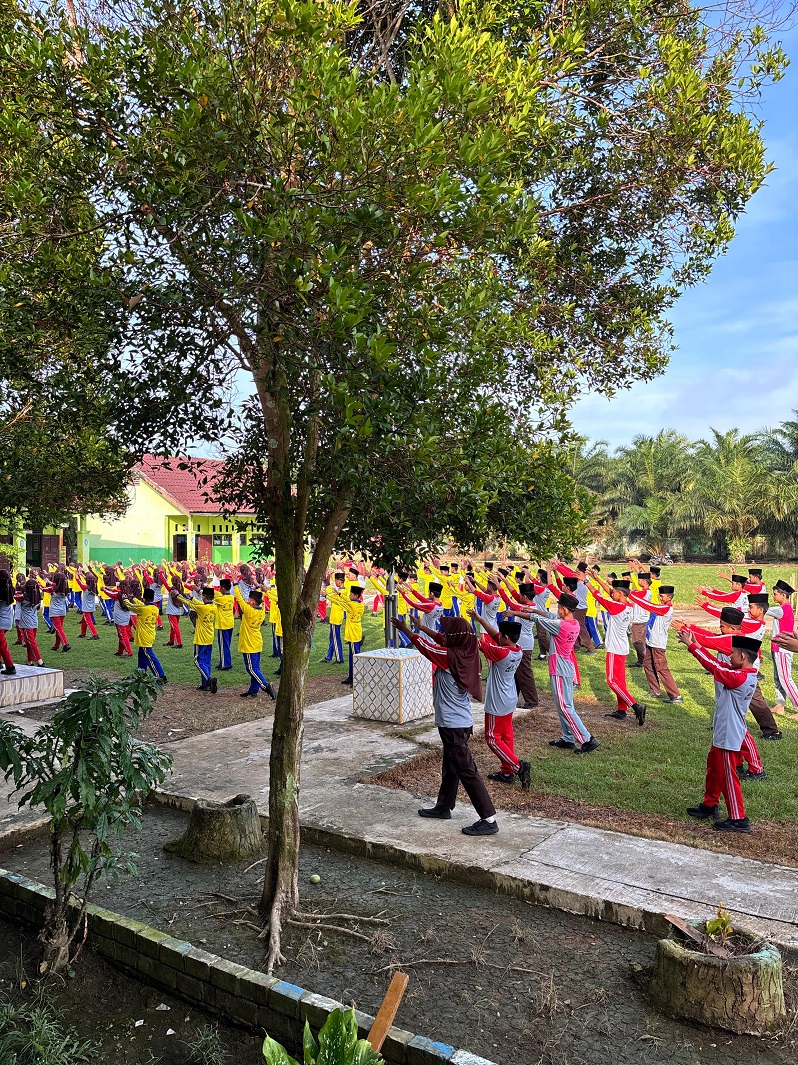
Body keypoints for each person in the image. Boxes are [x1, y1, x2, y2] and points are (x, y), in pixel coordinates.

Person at [392, 615, 499, 836]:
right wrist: (422, 627)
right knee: (451, 766)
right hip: (460, 721)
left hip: (453, 724)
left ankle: (489, 818)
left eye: (449, 632)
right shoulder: (469, 652)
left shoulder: (450, 657)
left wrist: (407, 630)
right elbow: (442, 640)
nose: (446, 636)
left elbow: (427, 648)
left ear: (456, 637)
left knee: (466, 770)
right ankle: (443, 807)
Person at [677, 629, 760, 833]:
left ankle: (738, 818)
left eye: (732, 653)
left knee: (727, 775)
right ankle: (709, 804)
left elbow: (713, 666)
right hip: (724, 731)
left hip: (728, 734)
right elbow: (720, 664)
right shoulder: (742, 673)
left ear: (742, 656)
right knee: (714, 768)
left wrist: (692, 646)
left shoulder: (739, 677)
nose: (728, 657)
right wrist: (698, 644)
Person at [516, 591, 599, 753]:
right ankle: (568, 738)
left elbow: (539, 619)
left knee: (565, 706)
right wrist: (533, 610)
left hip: (560, 669)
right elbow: (547, 614)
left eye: (560, 607)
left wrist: (515, 613)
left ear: (566, 609)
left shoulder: (561, 625)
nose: (557, 610)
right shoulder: (572, 623)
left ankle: (587, 739)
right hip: (565, 667)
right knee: (564, 705)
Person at [469, 611, 531, 788]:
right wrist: (480, 619)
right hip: (509, 698)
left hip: (497, 701)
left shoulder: (500, 653)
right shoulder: (517, 650)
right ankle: (506, 772)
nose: (498, 638)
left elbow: (477, 643)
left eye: (500, 636)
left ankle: (518, 767)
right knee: (506, 735)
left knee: (492, 738)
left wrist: (464, 628)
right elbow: (495, 636)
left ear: (505, 637)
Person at [587, 574, 647, 726]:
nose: (611, 593)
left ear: (620, 594)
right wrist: (597, 577)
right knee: (620, 681)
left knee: (612, 681)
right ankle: (621, 710)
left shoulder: (617, 607)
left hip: (614, 649)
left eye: (614, 592)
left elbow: (599, 596)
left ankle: (635, 706)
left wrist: (587, 581)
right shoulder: (628, 606)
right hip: (622, 648)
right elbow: (608, 594)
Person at [628, 584, 682, 704]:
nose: (660, 598)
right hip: (651, 642)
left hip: (658, 643)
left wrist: (631, 595)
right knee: (647, 664)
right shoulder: (660, 607)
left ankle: (675, 695)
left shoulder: (666, 609)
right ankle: (655, 690)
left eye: (662, 596)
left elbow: (648, 605)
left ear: (669, 597)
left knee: (661, 668)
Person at [497, 582, 538, 709]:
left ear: (525, 597)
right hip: (523, 643)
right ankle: (513, 697)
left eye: (521, 595)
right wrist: (504, 579)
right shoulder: (530, 605)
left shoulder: (524, 608)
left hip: (524, 644)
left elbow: (508, 600)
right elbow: (514, 595)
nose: (518, 596)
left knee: (524, 673)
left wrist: (498, 585)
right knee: (516, 673)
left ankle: (532, 701)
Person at [233, 584, 276, 699]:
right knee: (256, 667)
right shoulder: (261, 610)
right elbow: (256, 600)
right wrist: (258, 588)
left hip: (249, 644)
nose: (247, 601)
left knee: (251, 668)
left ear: (252, 602)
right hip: (257, 642)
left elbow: (239, 599)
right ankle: (253, 690)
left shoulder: (249, 611)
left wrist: (236, 585)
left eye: (249, 600)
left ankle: (266, 686)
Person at [176, 584, 218, 692]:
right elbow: (198, 603)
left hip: (201, 639)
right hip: (209, 637)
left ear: (204, 597)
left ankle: (208, 680)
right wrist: (191, 597)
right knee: (206, 661)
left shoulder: (201, 608)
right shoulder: (213, 606)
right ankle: (205, 684)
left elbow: (190, 604)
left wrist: (179, 596)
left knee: (198, 661)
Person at [767, 579, 798, 714]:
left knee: (785, 679)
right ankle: (780, 706)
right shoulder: (783, 608)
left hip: (783, 649)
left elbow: (764, 609)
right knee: (778, 678)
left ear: (783, 595)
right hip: (777, 648)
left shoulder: (782, 609)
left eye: (775, 594)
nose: (773, 596)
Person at [123, 588, 166, 681]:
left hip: (144, 637)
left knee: (150, 657)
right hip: (150, 635)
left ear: (144, 598)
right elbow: (141, 605)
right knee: (142, 656)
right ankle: (140, 675)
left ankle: (161, 676)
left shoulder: (143, 609)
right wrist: (134, 598)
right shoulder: (154, 608)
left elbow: (131, 607)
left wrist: (125, 600)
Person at [326, 582, 365, 685]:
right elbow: (346, 600)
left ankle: (355, 678)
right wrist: (339, 594)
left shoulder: (352, 605)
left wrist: (326, 596)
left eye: (351, 594)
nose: (349, 596)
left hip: (353, 635)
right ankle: (352, 677)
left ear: (356, 596)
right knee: (353, 656)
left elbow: (339, 602)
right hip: (356, 633)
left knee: (354, 657)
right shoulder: (359, 603)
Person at [17, 577, 44, 667]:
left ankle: (40, 661)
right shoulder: (37, 597)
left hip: (26, 623)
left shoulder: (23, 598)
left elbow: (14, 596)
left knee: (31, 642)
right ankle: (30, 660)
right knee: (30, 642)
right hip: (34, 621)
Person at [46, 572, 71, 652]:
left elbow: (44, 588)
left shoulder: (53, 589)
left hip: (55, 611)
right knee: (58, 628)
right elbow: (56, 584)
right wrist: (50, 582)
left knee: (58, 629)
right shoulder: (65, 588)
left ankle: (65, 644)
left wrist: (39, 582)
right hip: (62, 611)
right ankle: (56, 645)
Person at [325, 571, 347, 663]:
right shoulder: (342, 591)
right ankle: (329, 656)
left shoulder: (341, 592)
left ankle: (339, 658)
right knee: (332, 637)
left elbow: (333, 598)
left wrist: (326, 595)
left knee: (335, 638)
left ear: (339, 581)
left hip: (336, 618)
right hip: (335, 617)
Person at [215, 577, 235, 670]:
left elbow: (212, 595)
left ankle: (225, 664)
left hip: (222, 625)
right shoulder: (231, 597)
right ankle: (224, 661)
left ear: (222, 588)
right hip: (230, 624)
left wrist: (202, 588)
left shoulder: (221, 599)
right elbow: (218, 594)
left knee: (223, 645)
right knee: (227, 644)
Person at [0, 569, 16, 675]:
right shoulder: (10, 590)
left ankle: (10, 666)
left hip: (1, 622)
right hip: (7, 620)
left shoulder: (1, 592)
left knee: (2, 644)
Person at [76, 570, 100, 639]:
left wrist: (77, 574)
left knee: (89, 622)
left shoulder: (86, 587)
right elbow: (88, 579)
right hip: (91, 607)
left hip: (86, 608)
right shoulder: (94, 587)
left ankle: (95, 634)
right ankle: (83, 633)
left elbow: (78, 581)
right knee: (84, 621)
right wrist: (82, 574)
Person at [165, 576, 185, 648]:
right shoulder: (180, 588)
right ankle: (171, 641)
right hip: (178, 610)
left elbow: (165, 583)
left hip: (172, 611)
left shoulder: (171, 589)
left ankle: (179, 643)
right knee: (173, 627)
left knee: (175, 627)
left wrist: (160, 573)